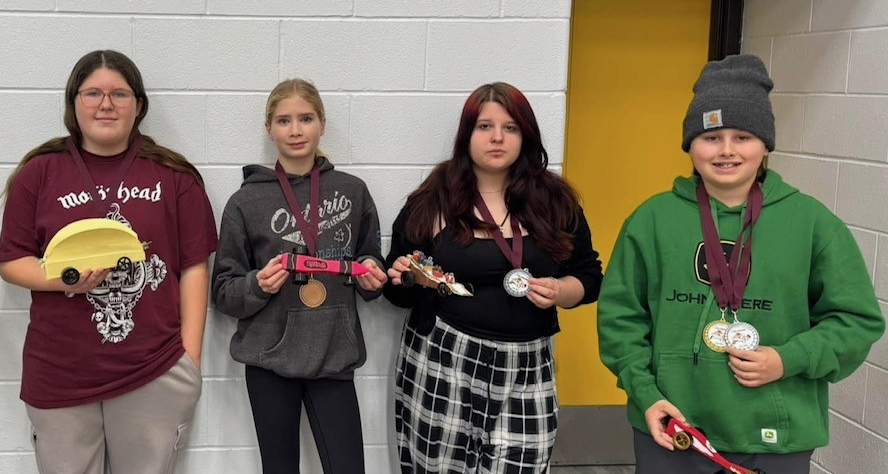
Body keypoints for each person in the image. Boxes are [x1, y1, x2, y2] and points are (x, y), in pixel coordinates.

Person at [597, 54, 884, 474]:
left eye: (743, 136)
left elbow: (858, 320)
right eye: (711, 137)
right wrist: (644, 392)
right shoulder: (651, 220)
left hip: (776, 436)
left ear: (764, 144)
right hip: (673, 425)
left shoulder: (812, 223)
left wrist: (790, 358)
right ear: (690, 144)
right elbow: (620, 318)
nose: (727, 150)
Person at [0, 50, 217, 474]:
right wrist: (65, 279)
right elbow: (11, 262)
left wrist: (190, 357)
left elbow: (193, 267)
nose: (106, 104)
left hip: (154, 369)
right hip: (59, 372)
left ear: (139, 104)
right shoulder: (38, 172)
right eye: (92, 92)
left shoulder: (175, 176)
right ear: (73, 102)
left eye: (119, 93)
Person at [383, 82, 603, 474]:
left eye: (511, 127)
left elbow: (588, 277)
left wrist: (561, 291)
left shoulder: (555, 200)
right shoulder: (434, 199)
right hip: (443, 359)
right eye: (484, 126)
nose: (497, 137)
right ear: (466, 134)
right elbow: (395, 287)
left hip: (527, 364)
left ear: (526, 135)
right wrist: (403, 278)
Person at [211, 78, 388, 474]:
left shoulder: (353, 191)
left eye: (306, 118)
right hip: (269, 359)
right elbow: (224, 291)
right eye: (283, 120)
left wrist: (372, 276)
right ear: (268, 128)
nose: (295, 130)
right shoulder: (245, 201)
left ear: (322, 124)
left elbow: (370, 259)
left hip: (334, 356)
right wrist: (257, 284)